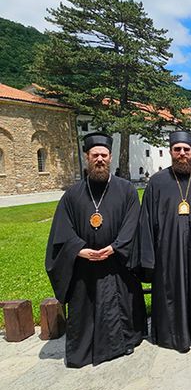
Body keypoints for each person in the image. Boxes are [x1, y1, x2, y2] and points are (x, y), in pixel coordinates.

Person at [45, 132, 145, 368]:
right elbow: (61, 231)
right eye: (95, 155)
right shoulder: (71, 195)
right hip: (84, 268)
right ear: (87, 157)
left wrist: (115, 247)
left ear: (110, 157)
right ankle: (87, 348)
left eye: (104, 155)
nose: (100, 159)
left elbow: (133, 223)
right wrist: (79, 249)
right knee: (85, 309)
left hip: (118, 264)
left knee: (121, 307)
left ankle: (123, 343)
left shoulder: (127, 190)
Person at [135, 130, 191, 352]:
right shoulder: (157, 182)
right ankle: (171, 334)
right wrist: (149, 258)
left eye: (186, 150)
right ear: (170, 152)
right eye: (177, 150)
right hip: (167, 254)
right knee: (170, 292)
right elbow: (146, 222)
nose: (182, 154)